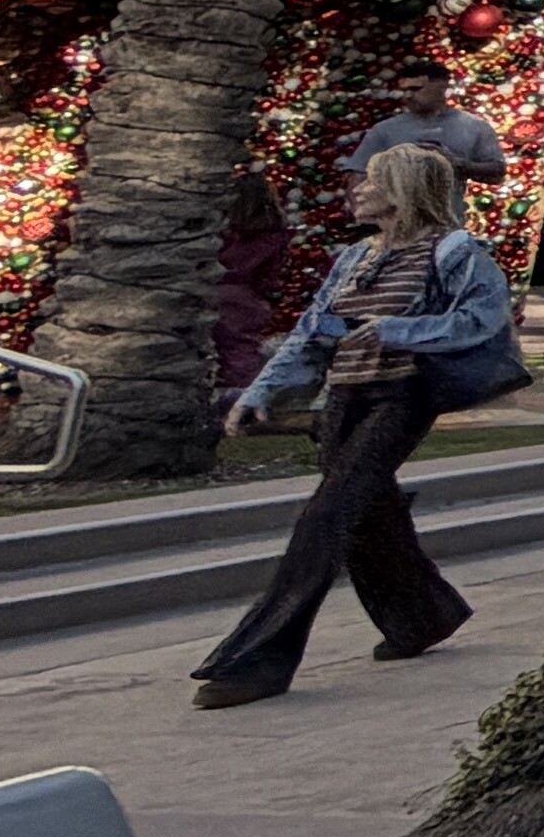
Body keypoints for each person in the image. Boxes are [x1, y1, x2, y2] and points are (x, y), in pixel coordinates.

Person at [194, 143, 509, 706]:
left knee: (328, 515)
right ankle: (422, 616)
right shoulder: (356, 257)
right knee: (367, 512)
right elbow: (312, 332)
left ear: (406, 188)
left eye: (373, 181)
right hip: (345, 396)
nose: (358, 190)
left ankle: (258, 659)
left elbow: (480, 321)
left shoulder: (456, 252)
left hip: (403, 395)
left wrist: (397, 331)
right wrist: (259, 393)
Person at [345, 89, 513, 208]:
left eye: (417, 88)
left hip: (447, 224)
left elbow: (496, 173)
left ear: (441, 87)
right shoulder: (386, 129)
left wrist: (458, 164)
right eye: (405, 89)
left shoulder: (472, 126)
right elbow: (358, 175)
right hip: (395, 228)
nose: (409, 95)